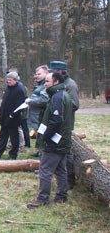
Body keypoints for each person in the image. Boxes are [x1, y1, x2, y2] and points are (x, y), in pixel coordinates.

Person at [27, 72, 73, 208]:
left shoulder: (58, 97)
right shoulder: (61, 95)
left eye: (47, 81)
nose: (45, 84)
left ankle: (42, 199)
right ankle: (61, 196)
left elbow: (56, 120)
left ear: (56, 82)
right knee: (60, 169)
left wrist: (46, 137)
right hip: (63, 140)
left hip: (54, 142)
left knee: (45, 170)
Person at [48, 60, 79, 189]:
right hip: (56, 122)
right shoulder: (58, 83)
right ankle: (61, 177)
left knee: (66, 152)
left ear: (60, 71)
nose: (50, 73)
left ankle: (70, 180)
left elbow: (74, 105)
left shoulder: (70, 85)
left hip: (65, 124)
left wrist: (60, 104)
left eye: (52, 71)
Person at [0, 72, 26, 160]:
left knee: (14, 137)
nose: (8, 82)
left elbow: (20, 106)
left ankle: (13, 154)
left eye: (10, 80)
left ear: (15, 80)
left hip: (13, 118)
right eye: (7, 80)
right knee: (2, 136)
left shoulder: (20, 90)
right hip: (4, 117)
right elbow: (5, 101)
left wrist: (12, 116)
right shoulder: (9, 88)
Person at [25, 65, 49, 157]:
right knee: (39, 133)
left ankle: (43, 152)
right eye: (36, 74)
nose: (37, 76)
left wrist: (31, 101)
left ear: (46, 73)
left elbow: (44, 100)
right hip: (36, 115)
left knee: (43, 133)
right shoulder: (39, 85)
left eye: (39, 74)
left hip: (41, 115)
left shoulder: (45, 85)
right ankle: (40, 151)